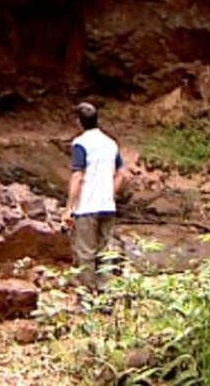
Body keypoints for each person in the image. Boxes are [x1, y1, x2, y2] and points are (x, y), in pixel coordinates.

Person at [63, 102, 128, 286]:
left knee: (85, 253)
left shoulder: (80, 143)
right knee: (105, 252)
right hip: (107, 206)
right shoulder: (110, 143)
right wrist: (110, 193)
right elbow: (123, 174)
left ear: (78, 122)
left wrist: (69, 208)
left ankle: (88, 296)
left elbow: (77, 176)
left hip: (86, 207)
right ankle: (105, 296)